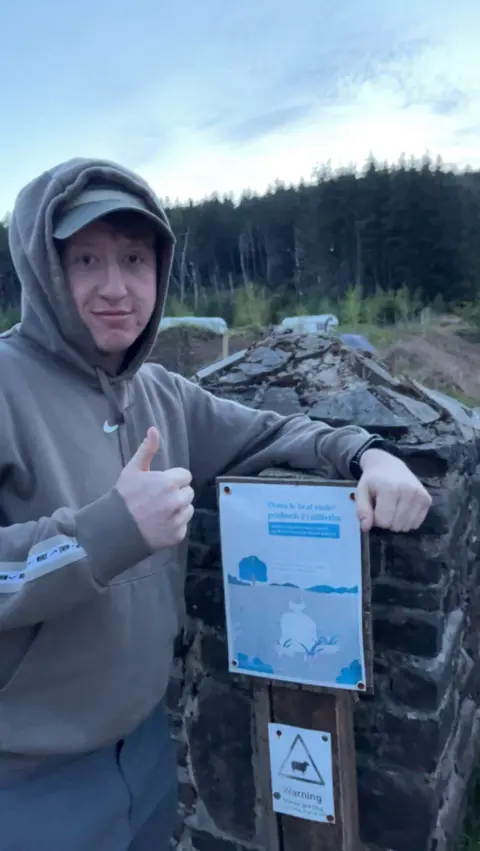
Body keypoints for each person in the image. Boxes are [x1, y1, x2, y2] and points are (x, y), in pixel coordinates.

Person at [0, 157, 431, 851]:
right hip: (27, 779)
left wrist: (368, 454)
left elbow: (271, 432)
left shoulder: (162, 394)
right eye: (85, 260)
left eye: (134, 259)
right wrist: (108, 532)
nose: (116, 287)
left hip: (146, 752)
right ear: (43, 268)